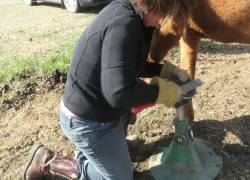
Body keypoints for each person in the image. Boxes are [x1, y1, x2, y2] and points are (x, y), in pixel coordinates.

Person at [22, 0, 190, 179]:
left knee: (133, 97)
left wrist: (164, 70)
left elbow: (132, 65)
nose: (162, 23)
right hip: (86, 122)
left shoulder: (137, 16)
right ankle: (48, 162)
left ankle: (107, 149)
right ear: (155, 6)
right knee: (121, 176)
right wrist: (161, 93)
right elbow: (118, 93)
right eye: (165, 16)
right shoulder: (123, 24)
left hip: (103, 108)